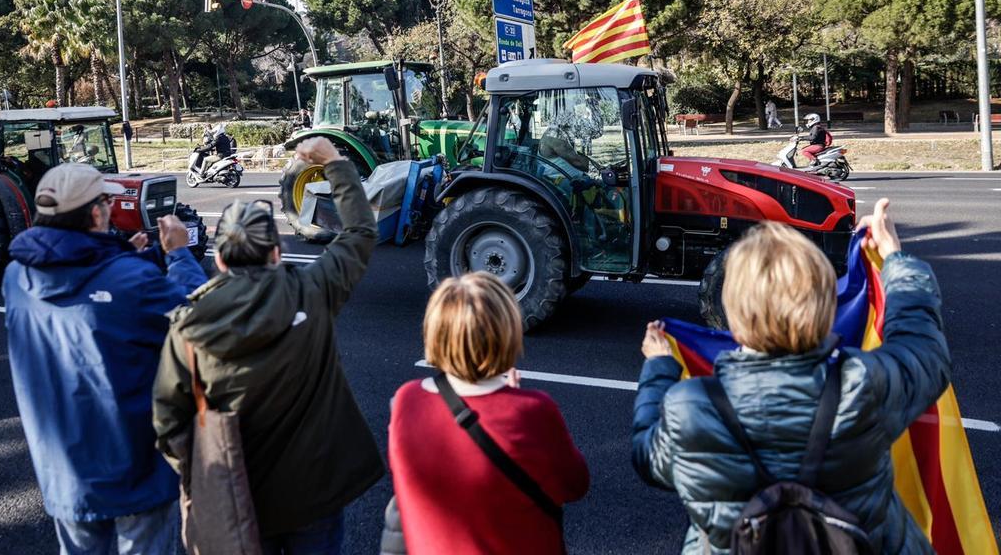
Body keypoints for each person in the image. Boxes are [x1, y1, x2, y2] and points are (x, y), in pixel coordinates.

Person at [632, 200, 951, 554]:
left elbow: (648, 458)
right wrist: (895, 259)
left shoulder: (689, 406)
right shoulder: (862, 384)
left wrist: (659, 367)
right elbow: (925, 351)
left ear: (734, 313)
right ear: (824, 305)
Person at [154, 137, 381, 555]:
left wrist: (201, 474)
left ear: (220, 259)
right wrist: (334, 162)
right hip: (315, 494)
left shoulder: (186, 327)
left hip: (236, 497)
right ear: (277, 253)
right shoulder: (313, 291)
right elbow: (360, 231)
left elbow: (168, 422)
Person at [3, 162, 207, 555]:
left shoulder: (16, 278)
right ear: (97, 213)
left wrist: (117, 258)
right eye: (106, 201)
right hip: (137, 466)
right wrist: (179, 256)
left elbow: (89, 292)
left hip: (62, 469)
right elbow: (197, 320)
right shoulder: (131, 280)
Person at [388, 272, 589, 554]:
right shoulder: (534, 411)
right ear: (507, 333)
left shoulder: (406, 401)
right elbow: (575, 485)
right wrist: (515, 401)